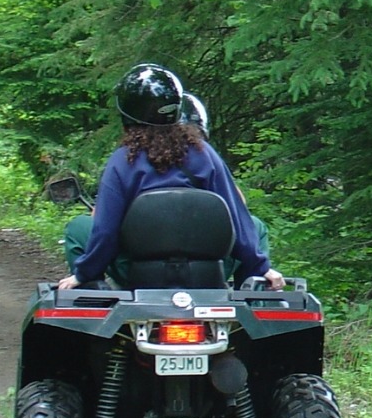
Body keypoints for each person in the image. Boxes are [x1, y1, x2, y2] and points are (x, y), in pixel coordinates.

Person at [57, 64, 283, 291]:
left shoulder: (123, 161)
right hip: (207, 272)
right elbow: (237, 217)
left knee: (78, 227)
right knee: (254, 226)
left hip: (137, 274)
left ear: (127, 111)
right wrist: (262, 267)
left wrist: (84, 274)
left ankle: (94, 295)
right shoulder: (204, 154)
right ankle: (249, 299)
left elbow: (105, 232)